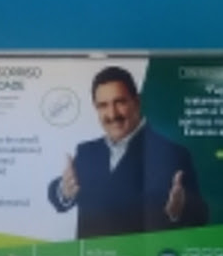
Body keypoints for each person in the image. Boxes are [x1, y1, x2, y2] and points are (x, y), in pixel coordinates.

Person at [47, 66, 208, 239]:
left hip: (143, 255)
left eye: (120, 102)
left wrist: (178, 211)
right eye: (103, 105)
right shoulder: (87, 152)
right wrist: (64, 190)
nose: (112, 114)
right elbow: (59, 196)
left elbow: (200, 216)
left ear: (136, 102)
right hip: (94, 255)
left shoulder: (173, 153)